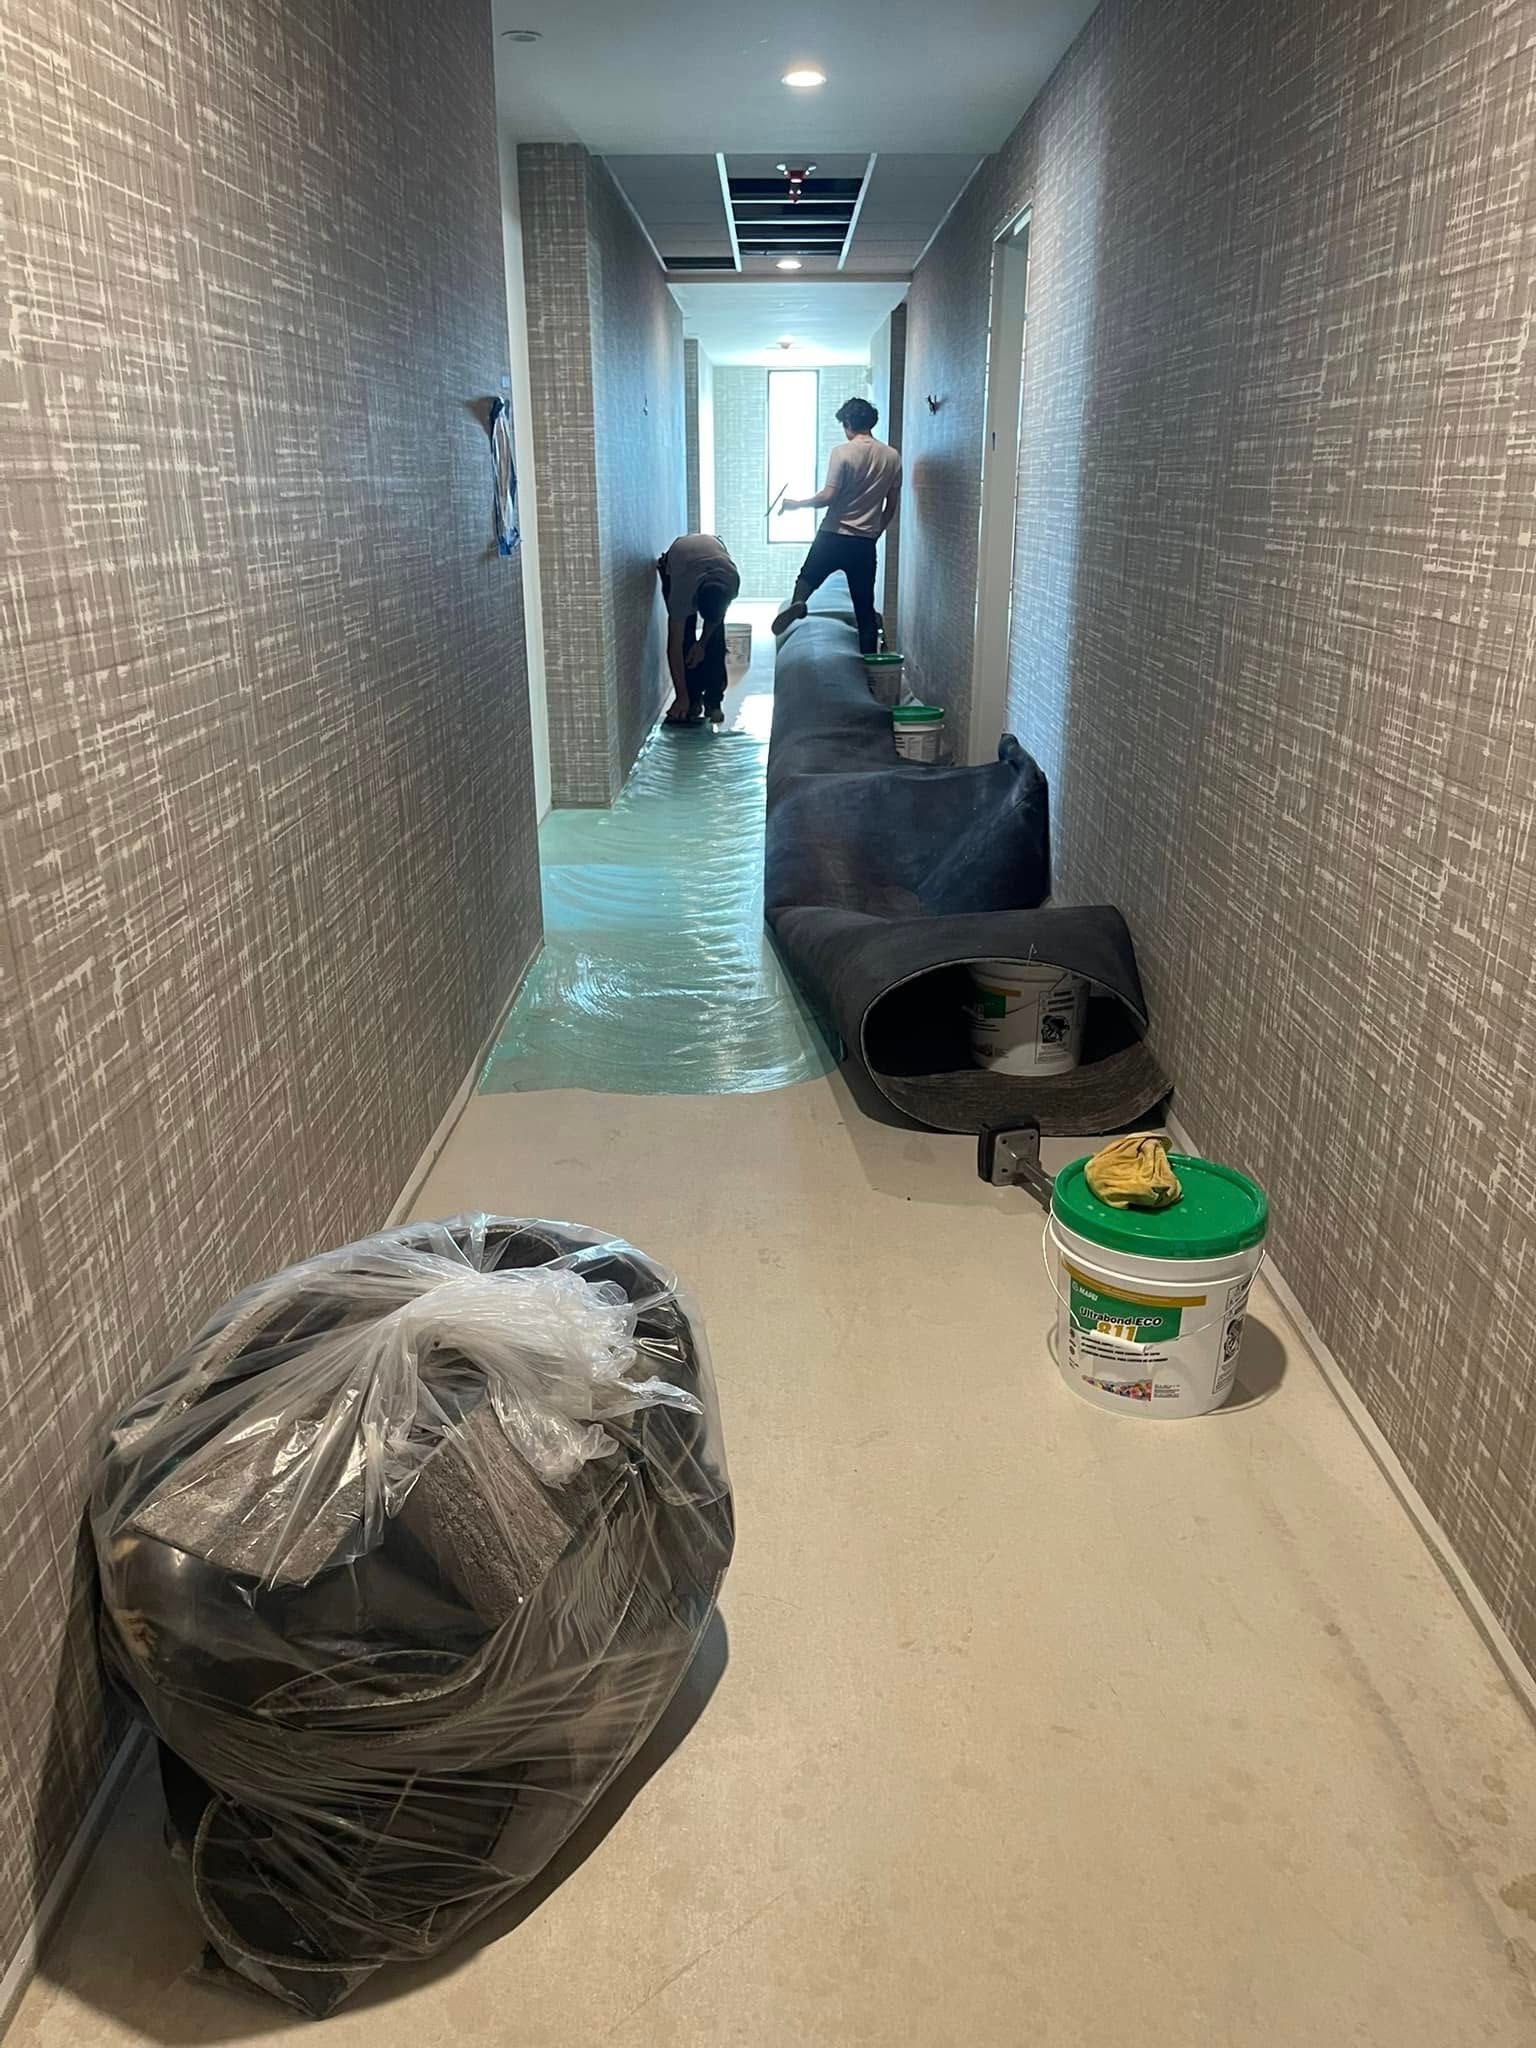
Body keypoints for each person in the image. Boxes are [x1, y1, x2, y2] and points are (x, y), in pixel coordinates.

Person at [772, 397, 901, 655]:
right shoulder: (892, 457)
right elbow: (891, 506)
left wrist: (797, 504)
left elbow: (828, 497)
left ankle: (799, 603)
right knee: (864, 608)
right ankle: (870, 670)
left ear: (849, 423)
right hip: (865, 542)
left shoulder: (843, 452)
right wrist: (876, 532)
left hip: (833, 534)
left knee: (807, 577)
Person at [657, 534, 741, 726]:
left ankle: (713, 701)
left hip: (714, 552)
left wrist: (703, 644)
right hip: (678, 562)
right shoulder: (681, 593)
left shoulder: (731, 581)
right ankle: (691, 700)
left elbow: (716, 617)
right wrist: (681, 696)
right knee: (686, 636)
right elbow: (674, 647)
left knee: (716, 637)